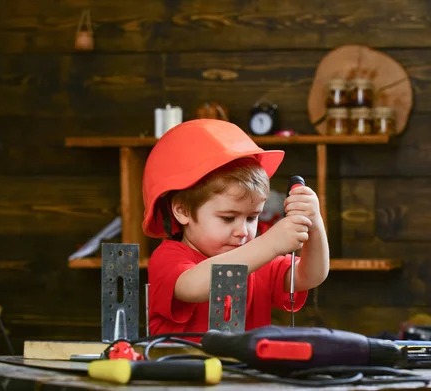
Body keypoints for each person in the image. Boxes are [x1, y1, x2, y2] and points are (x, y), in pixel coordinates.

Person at [141, 119, 330, 336]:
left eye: (252, 218)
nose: (243, 231)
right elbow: (194, 286)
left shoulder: (259, 260)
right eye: (228, 218)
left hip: (242, 370)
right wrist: (269, 243)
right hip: (182, 369)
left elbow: (311, 275)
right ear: (182, 211)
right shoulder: (167, 258)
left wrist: (314, 223)